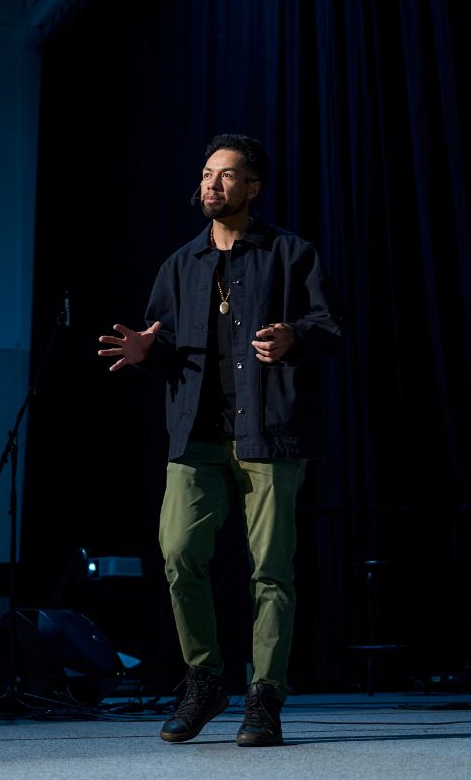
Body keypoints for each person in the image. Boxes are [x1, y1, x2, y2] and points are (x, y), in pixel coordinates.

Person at [98, 133, 344, 747]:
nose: (212, 184)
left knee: (272, 569)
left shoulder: (291, 254)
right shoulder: (180, 264)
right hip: (197, 435)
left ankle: (265, 696)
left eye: (227, 175)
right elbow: (165, 343)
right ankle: (205, 679)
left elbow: (330, 327)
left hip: (270, 432)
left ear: (252, 188)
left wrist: (294, 336)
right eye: (208, 173)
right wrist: (147, 352)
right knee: (179, 552)